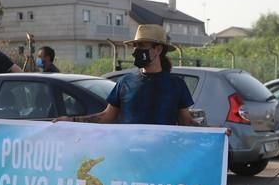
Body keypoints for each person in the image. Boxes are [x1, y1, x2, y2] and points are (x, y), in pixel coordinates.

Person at [57, 25, 196, 126]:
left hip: (163, 157)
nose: (136, 51)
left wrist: (216, 133)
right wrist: (72, 121)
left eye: (141, 45)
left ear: (158, 50)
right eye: (135, 46)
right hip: (130, 156)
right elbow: (106, 116)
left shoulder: (176, 85)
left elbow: (186, 121)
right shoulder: (125, 82)